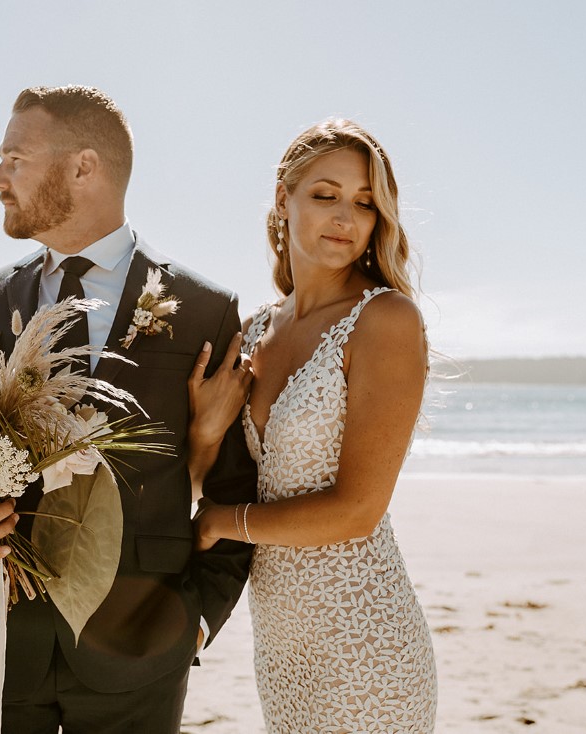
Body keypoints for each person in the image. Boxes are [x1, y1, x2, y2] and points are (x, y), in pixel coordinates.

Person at [0, 85, 258, 734]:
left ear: (82, 167)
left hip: (140, 656)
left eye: (15, 159)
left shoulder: (207, 311)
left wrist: (198, 621)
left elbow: (236, 485)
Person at [187, 118, 438, 732]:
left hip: (366, 643)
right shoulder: (249, 334)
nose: (345, 219)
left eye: (365, 203)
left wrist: (228, 522)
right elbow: (199, 477)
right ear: (283, 199)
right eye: (325, 195)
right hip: (281, 647)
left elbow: (358, 509)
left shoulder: (386, 320)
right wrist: (202, 434)